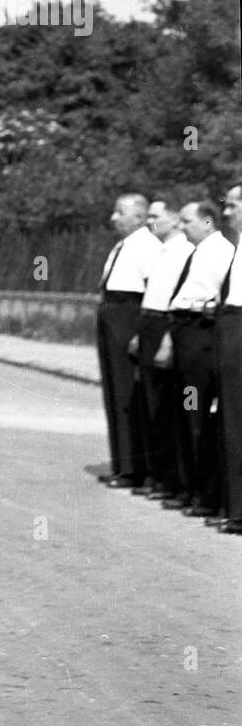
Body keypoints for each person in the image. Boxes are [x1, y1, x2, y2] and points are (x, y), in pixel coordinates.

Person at [168, 200, 235, 519]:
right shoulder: (198, 252)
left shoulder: (222, 251)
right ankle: (190, 487)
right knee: (185, 411)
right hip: (185, 330)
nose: (181, 227)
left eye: (187, 221)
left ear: (207, 222)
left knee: (196, 412)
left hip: (201, 334)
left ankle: (202, 492)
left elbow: (224, 295)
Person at [94, 194, 160, 487]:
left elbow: (153, 291)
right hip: (111, 313)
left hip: (129, 314)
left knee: (126, 392)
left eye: (120, 212)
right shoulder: (123, 245)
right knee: (112, 389)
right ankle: (121, 464)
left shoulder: (148, 246)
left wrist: (138, 332)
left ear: (139, 217)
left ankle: (134, 467)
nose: (114, 218)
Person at [134, 201, 190, 502]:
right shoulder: (161, 251)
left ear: (173, 219)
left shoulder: (183, 252)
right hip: (149, 324)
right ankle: (155, 474)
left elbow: (177, 299)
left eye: (156, 217)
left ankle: (170, 479)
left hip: (165, 326)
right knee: (149, 402)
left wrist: (167, 337)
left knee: (163, 406)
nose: (150, 222)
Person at [216, 186, 242, 534]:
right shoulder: (238, 246)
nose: (225, 212)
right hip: (232, 326)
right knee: (234, 419)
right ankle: (237, 509)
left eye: (233, 205)